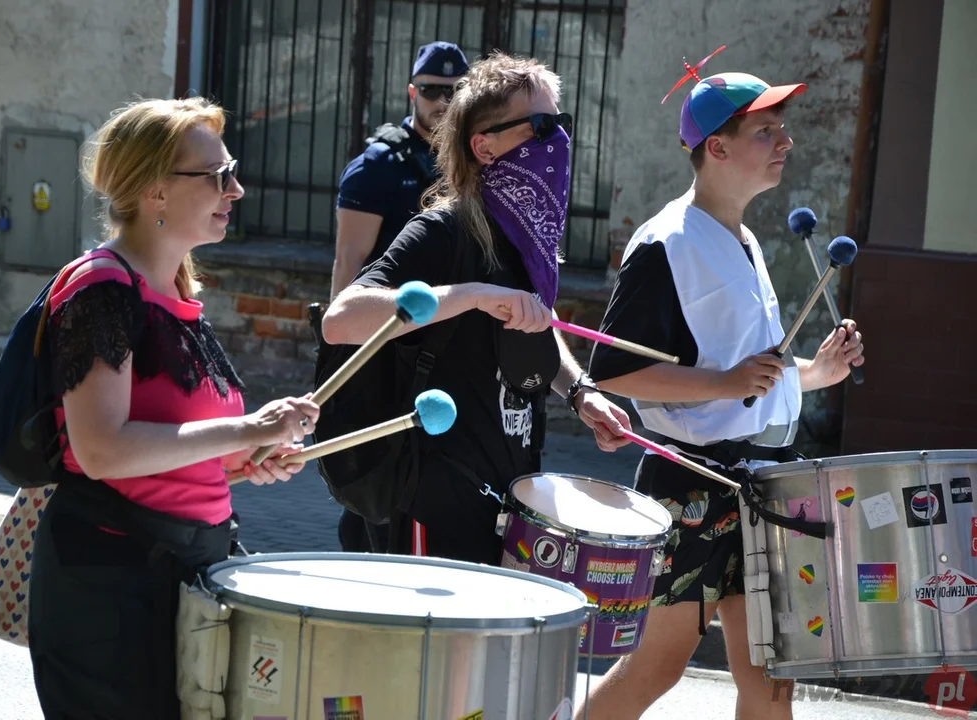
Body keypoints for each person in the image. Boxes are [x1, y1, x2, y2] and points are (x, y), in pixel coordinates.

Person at [577, 67, 865, 720]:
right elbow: (615, 372)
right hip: (690, 482)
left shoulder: (747, 239)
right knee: (656, 668)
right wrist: (726, 384)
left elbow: (743, 374)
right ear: (718, 147)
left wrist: (815, 373)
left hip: (761, 482)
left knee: (770, 679)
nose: (785, 142)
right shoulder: (666, 242)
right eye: (767, 131)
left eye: (781, 130)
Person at [27, 97, 321, 720]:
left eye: (231, 169)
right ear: (155, 191)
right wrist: (245, 427)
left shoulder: (177, 294)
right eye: (216, 175)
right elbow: (101, 450)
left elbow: (172, 442)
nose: (235, 189)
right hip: (111, 583)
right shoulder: (101, 287)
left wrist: (246, 455)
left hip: (181, 570)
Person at [322, 52, 634, 565]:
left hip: (509, 493)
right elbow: (342, 320)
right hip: (435, 499)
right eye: (539, 125)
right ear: (484, 147)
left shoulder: (525, 235)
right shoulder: (442, 231)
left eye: (560, 123)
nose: (555, 139)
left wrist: (579, 392)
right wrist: (474, 295)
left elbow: (531, 324)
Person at [329, 40, 469, 553]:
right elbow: (348, 268)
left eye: (455, 92)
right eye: (432, 90)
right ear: (413, 91)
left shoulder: (472, 163)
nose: (443, 101)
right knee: (376, 484)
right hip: (385, 347)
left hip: (444, 349)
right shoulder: (379, 167)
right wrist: (346, 362)